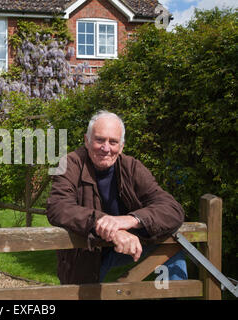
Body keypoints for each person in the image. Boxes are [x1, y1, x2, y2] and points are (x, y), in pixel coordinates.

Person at [46, 110, 187, 284]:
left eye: (113, 142)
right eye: (100, 140)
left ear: (121, 146)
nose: (106, 148)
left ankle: (175, 296)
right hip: (87, 256)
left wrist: (130, 220)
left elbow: (172, 209)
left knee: (171, 247)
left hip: (128, 249)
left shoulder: (132, 167)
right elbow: (58, 207)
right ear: (86, 140)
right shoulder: (69, 164)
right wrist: (108, 225)